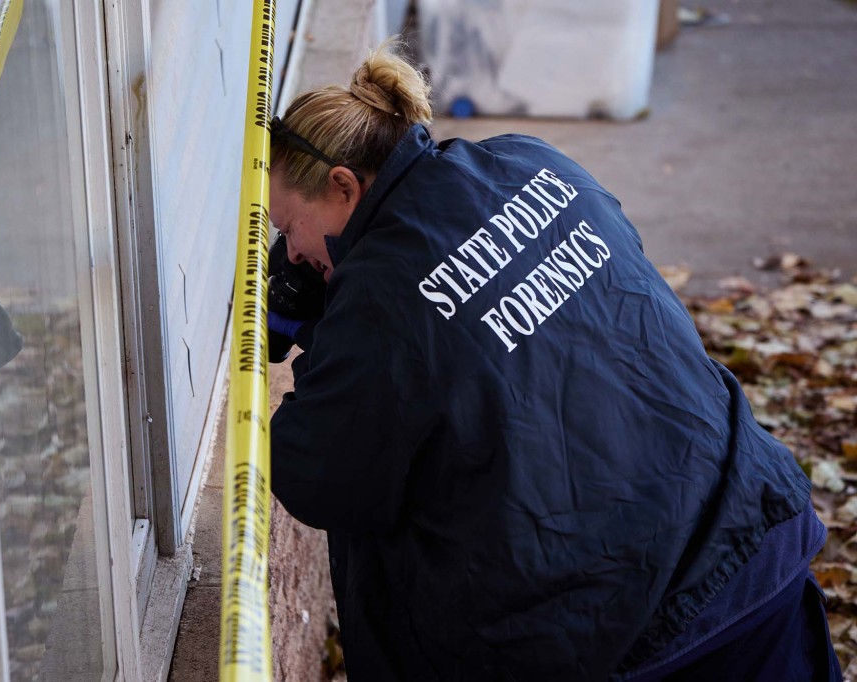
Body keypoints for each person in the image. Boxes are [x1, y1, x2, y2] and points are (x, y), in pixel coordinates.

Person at [266, 41, 842, 681]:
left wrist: (320, 333)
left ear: (344, 186)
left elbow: (316, 473)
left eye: (288, 227)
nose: (289, 255)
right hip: (759, 541)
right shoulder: (530, 160)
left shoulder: (378, 294)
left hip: (645, 638)